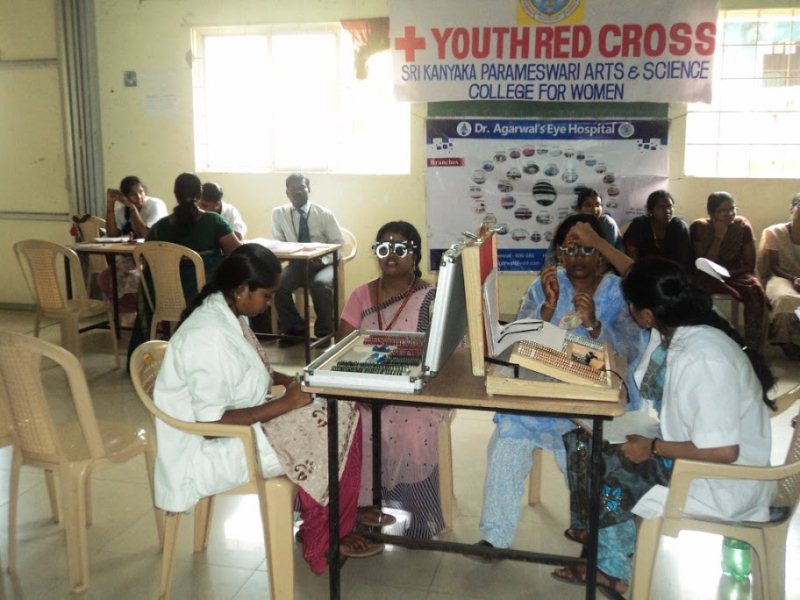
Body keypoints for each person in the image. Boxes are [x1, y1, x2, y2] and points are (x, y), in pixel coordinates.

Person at [153, 243, 383, 576]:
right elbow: (211, 425)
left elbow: (251, 370)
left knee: (340, 407)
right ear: (241, 289)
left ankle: (335, 521)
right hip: (212, 450)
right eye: (268, 295)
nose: (271, 302)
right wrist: (286, 404)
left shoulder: (231, 314)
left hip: (240, 429)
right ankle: (324, 537)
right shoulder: (207, 335)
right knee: (332, 425)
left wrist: (290, 382)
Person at [552, 257, 775, 596]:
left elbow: (724, 451)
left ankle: (613, 569)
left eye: (631, 305)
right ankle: (597, 533)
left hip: (722, 481)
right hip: (696, 454)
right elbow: (637, 374)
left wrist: (652, 448)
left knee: (610, 464)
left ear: (646, 314)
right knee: (584, 440)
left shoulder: (702, 356)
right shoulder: (676, 331)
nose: (629, 312)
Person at [478, 214, 647, 551]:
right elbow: (517, 344)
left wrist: (595, 325)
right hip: (547, 392)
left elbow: (631, 352)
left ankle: (597, 539)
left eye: (587, 250)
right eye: (570, 250)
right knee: (508, 435)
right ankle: (494, 536)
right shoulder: (547, 284)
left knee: (583, 453)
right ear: (559, 254)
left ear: (602, 254)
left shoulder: (619, 291)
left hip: (595, 400)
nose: (578, 258)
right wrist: (546, 309)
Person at [337, 221, 448, 539]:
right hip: (363, 385)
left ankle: (419, 515)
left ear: (415, 255)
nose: (391, 255)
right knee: (345, 422)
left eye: (400, 249)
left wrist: (400, 384)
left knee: (409, 430)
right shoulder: (361, 295)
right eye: (383, 248)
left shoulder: (431, 298)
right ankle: (357, 509)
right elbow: (342, 348)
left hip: (415, 390)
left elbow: (441, 357)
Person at [127, 173, 241, 358]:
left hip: (165, 300)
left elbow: (144, 260)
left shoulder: (159, 228)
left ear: (175, 194)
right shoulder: (213, 221)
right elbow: (238, 253)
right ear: (200, 194)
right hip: (204, 299)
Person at [271, 173, 344, 344]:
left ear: (308, 189)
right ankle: (296, 330)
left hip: (325, 264)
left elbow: (339, 243)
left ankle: (324, 334)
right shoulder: (279, 214)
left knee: (320, 285)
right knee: (277, 284)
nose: (298, 192)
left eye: (302, 187)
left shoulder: (323, 214)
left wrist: (323, 260)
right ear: (287, 193)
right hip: (298, 264)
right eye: (293, 189)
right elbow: (278, 243)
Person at [690, 191, 766, 349]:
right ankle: (704, 343)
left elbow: (750, 263)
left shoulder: (742, 226)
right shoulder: (699, 227)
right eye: (723, 211)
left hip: (737, 272)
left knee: (755, 289)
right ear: (711, 213)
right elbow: (702, 263)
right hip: (708, 272)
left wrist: (730, 273)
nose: (730, 214)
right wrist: (719, 236)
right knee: (696, 291)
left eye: (732, 209)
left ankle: (753, 347)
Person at [98, 175, 168, 313]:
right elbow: (112, 235)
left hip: (154, 259)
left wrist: (132, 208)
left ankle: (142, 312)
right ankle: (128, 312)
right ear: (124, 197)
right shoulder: (121, 211)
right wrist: (110, 205)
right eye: (133, 194)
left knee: (135, 280)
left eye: (141, 192)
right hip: (131, 259)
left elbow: (145, 234)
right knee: (104, 279)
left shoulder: (155, 205)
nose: (139, 197)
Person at [761, 193, 800, 359]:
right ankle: (785, 343)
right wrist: (794, 279)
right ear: (792, 208)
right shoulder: (775, 232)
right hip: (782, 277)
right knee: (784, 298)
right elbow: (774, 266)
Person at [623, 190, 693, 271]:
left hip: (671, 274)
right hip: (642, 272)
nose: (668, 211)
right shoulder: (639, 225)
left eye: (670, 206)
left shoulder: (679, 227)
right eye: (662, 207)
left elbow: (684, 260)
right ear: (650, 210)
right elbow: (631, 257)